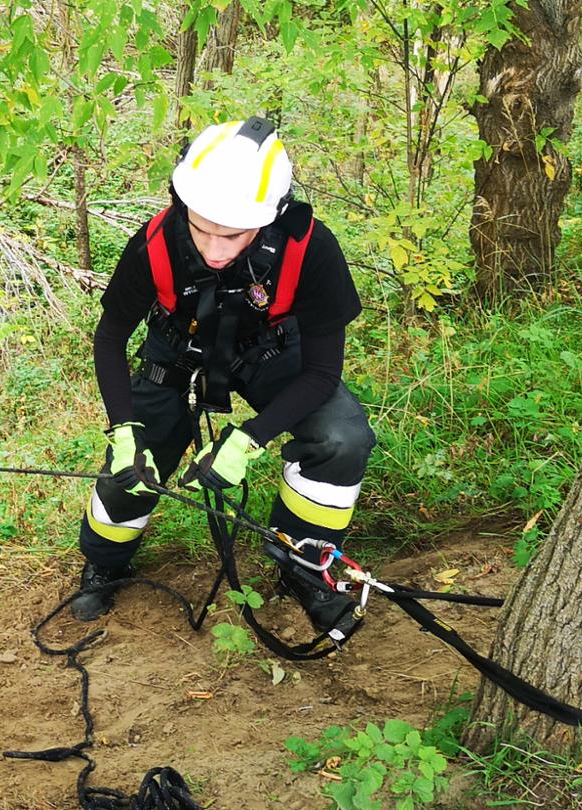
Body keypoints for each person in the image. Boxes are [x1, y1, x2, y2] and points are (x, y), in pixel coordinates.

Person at [71, 117, 376, 640]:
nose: (214, 249)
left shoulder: (311, 249)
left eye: (232, 234)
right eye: (200, 227)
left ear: (271, 216)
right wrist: (122, 429)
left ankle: (303, 565)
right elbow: (110, 339)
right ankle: (105, 561)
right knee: (135, 460)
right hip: (178, 346)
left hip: (272, 350)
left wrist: (250, 440)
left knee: (342, 438)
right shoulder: (153, 245)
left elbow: (323, 371)